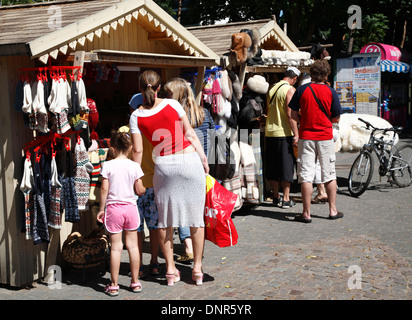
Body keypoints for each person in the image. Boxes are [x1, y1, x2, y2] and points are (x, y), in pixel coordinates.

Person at [130, 70, 209, 286]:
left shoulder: (136, 116)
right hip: (189, 161)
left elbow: (137, 152)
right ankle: (198, 269)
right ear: (159, 87)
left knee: (165, 221)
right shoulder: (173, 105)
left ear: (140, 88)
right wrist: (203, 159)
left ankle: (171, 272)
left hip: (164, 166)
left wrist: (136, 178)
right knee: (196, 219)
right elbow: (190, 134)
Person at [164, 78, 215, 264]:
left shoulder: (173, 115)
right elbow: (210, 137)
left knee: (181, 207)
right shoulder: (204, 113)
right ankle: (197, 247)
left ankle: (188, 247)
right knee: (195, 208)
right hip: (201, 165)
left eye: (169, 94)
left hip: (181, 164)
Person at [288, 60, 343, 223]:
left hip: (306, 136)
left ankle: (306, 213)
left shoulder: (301, 90)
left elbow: (292, 113)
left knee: (306, 175)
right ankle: (333, 210)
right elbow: (336, 117)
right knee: (329, 174)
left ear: (312, 74)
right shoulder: (331, 91)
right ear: (326, 75)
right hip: (325, 137)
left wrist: (303, 120)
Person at [97, 132, 146, 296]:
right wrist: (144, 190)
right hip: (131, 208)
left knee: (116, 248)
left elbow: (104, 188)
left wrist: (101, 209)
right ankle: (135, 282)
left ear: (112, 147)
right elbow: (139, 190)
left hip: (113, 209)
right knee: (133, 246)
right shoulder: (134, 166)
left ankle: (114, 285)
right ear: (130, 147)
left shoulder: (108, 165)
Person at [119, 93, 161, 278]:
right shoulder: (155, 131)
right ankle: (154, 262)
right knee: (154, 227)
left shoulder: (124, 131)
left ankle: (138, 266)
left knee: (135, 229)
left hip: (132, 186)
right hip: (153, 183)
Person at [265, 66, 300, 209]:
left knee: (273, 166)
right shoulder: (290, 90)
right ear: (295, 78)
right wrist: (296, 134)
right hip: (284, 133)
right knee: (286, 167)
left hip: (270, 132)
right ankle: (286, 199)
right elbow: (290, 113)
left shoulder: (272, 88)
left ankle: (275, 196)